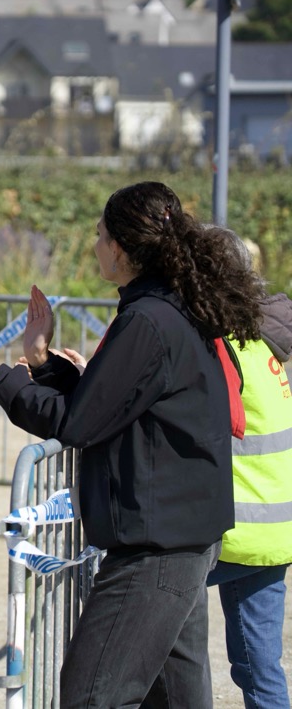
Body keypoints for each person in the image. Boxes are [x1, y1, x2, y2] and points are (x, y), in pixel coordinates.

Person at [0, 181, 264, 708]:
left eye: (99, 235)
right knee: (177, 701)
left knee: (93, 695)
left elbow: (77, 423)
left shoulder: (149, 319)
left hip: (157, 547)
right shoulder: (171, 307)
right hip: (181, 537)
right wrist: (41, 362)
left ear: (122, 248)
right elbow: (111, 403)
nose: (94, 246)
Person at [207, 231, 292, 709]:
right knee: (261, 669)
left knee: (155, 637)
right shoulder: (260, 342)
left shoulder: (224, 348)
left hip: (237, 527)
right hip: (273, 527)